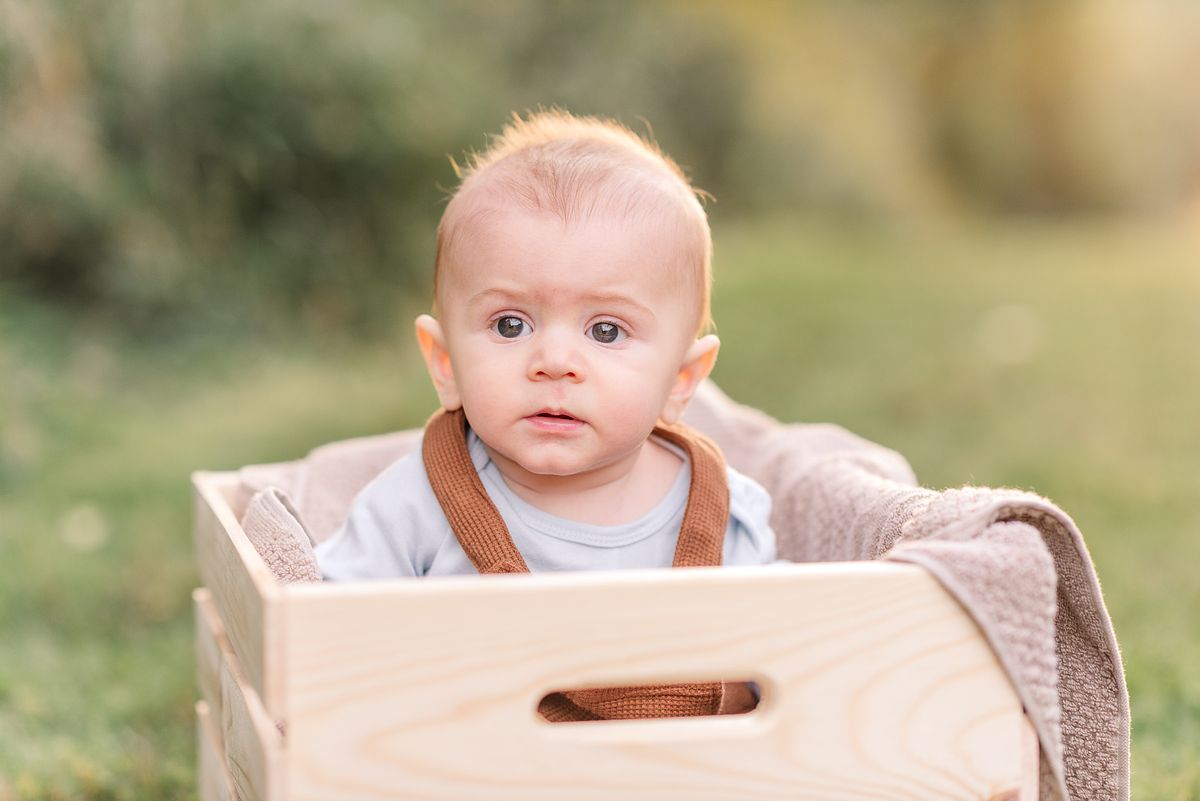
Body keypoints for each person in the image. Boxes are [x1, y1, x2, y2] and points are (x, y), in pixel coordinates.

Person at [315, 109, 776, 583]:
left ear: (682, 381)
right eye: (511, 325)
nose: (555, 363)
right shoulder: (412, 508)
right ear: (445, 362)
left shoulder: (723, 516)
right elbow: (324, 629)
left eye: (606, 331)